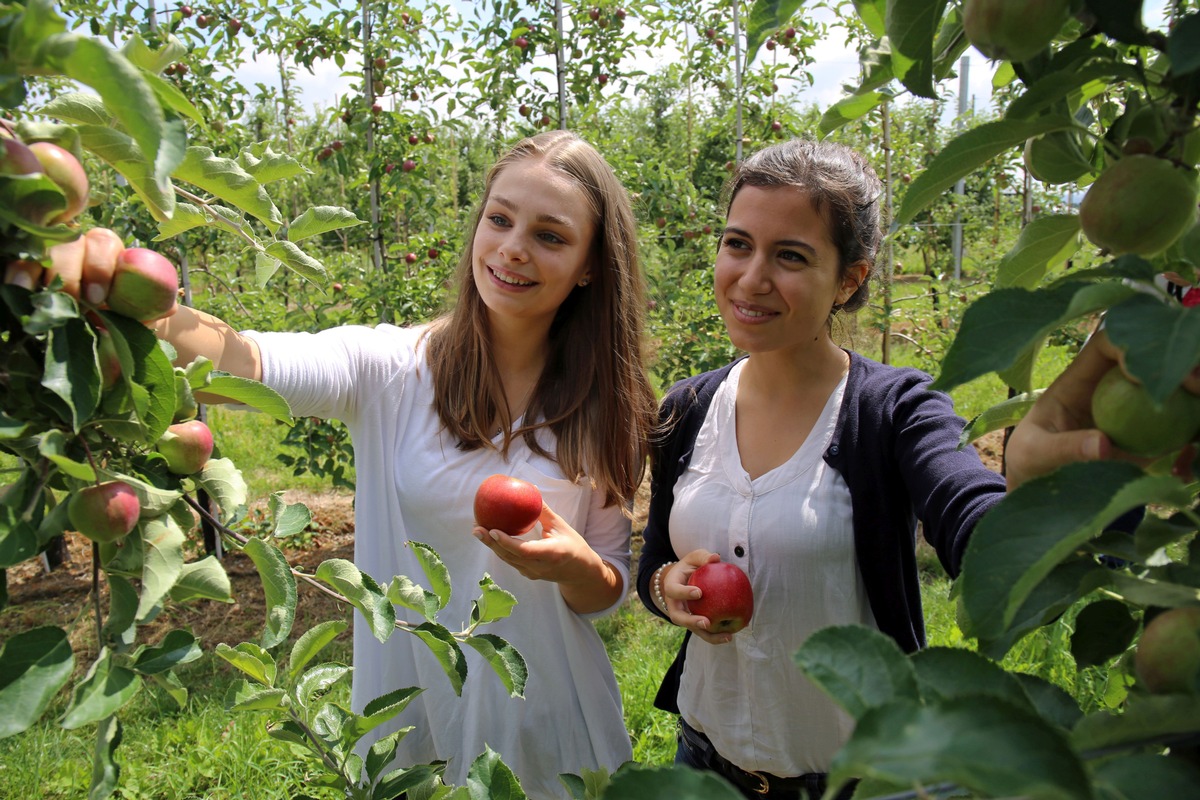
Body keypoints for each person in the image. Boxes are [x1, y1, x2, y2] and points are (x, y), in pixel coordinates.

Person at [15, 130, 657, 799]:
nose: (513, 247)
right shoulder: (392, 370)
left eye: (550, 236)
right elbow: (244, 362)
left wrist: (574, 565)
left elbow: (605, 594)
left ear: (589, 264)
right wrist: (118, 293)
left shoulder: (610, 406)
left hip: (553, 731)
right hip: (417, 732)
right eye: (499, 219)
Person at [633, 137, 1200, 800]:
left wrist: (1060, 490)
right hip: (704, 767)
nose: (752, 277)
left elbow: (977, 529)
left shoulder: (897, 408)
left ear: (851, 278)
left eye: (790, 255)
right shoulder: (689, 407)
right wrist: (669, 587)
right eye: (737, 244)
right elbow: (652, 570)